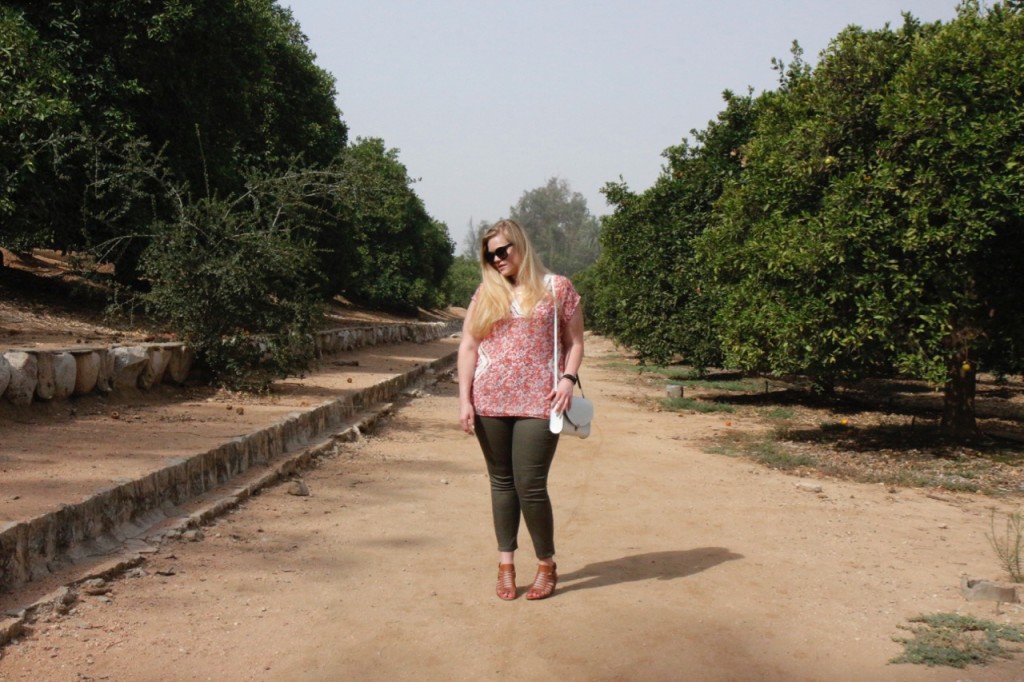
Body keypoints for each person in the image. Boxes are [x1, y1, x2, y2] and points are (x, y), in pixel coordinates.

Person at [457, 219, 584, 601]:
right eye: (488, 254)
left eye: (502, 251)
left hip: (539, 401)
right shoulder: (485, 293)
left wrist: (567, 379)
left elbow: (575, 342)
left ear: (521, 246)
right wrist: (465, 398)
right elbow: (468, 346)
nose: (496, 260)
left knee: (530, 484)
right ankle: (506, 565)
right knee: (501, 483)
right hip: (489, 400)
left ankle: (546, 564)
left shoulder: (557, 288)